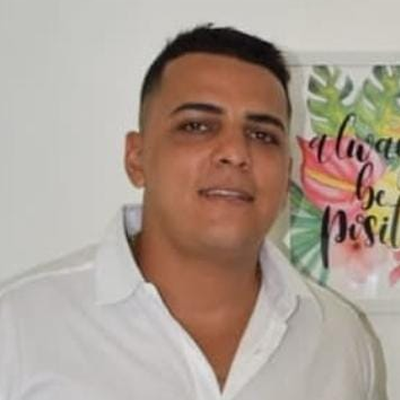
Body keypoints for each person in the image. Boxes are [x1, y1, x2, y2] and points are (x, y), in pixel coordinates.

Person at [0, 25, 387, 399]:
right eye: (198, 126)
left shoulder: (342, 342)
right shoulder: (19, 329)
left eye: (262, 135)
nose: (235, 152)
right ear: (136, 158)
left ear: (286, 175)